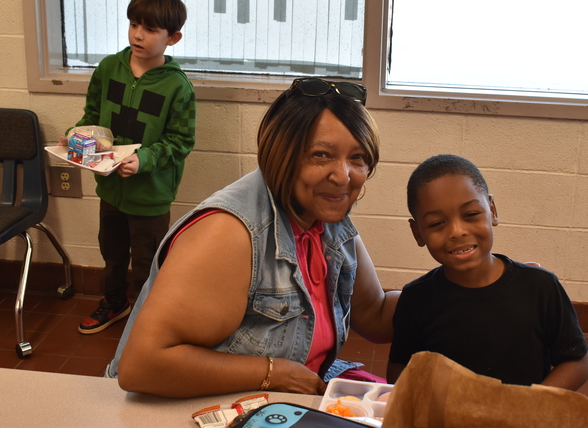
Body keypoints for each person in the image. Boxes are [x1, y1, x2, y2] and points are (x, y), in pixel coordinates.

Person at [107, 78, 399, 398]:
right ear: (283, 155)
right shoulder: (230, 233)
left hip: (276, 399)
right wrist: (275, 374)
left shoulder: (324, 218)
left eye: (357, 158)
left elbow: (375, 313)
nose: (343, 175)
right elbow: (142, 367)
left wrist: (452, 280)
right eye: (321, 155)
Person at [387, 154, 588, 391]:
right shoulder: (416, 299)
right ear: (418, 232)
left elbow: (577, 362)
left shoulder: (541, 287)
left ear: (492, 210)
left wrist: (531, 406)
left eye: (471, 215)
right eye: (436, 224)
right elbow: (400, 369)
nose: (457, 231)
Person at [64, 0, 196, 335]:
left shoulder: (177, 87)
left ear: (173, 38)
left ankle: (144, 318)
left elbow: (181, 142)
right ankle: (115, 302)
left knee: (147, 261)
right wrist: (76, 138)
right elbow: (92, 115)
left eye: (151, 29)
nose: (139, 34)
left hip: (149, 196)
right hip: (110, 189)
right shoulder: (109, 68)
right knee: (113, 252)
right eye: (134, 24)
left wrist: (144, 160)